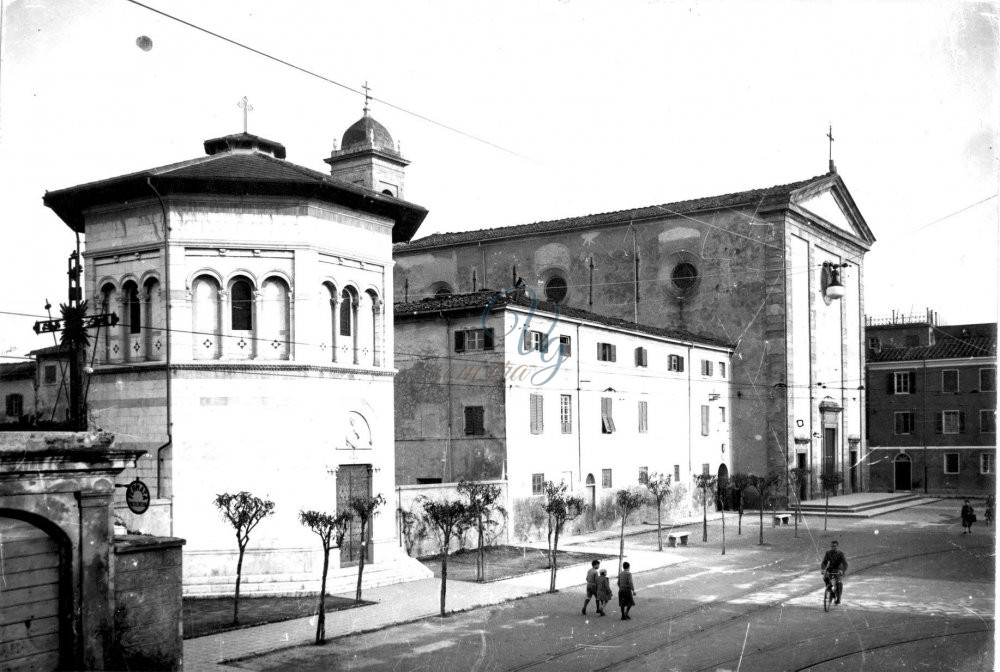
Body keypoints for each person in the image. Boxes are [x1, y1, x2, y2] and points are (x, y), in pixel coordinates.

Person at [820, 540, 848, 605]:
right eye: (832, 546)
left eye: (834, 546)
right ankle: (830, 591)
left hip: (838, 570)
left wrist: (842, 571)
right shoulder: (828, 553)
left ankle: (838, 597)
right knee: (825, 578)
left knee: (839, 583)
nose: (833, 548)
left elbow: (845, 564)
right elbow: (824, 562)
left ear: (837, 546)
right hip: (830, 570)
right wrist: (823, 569)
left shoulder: (841, 554)